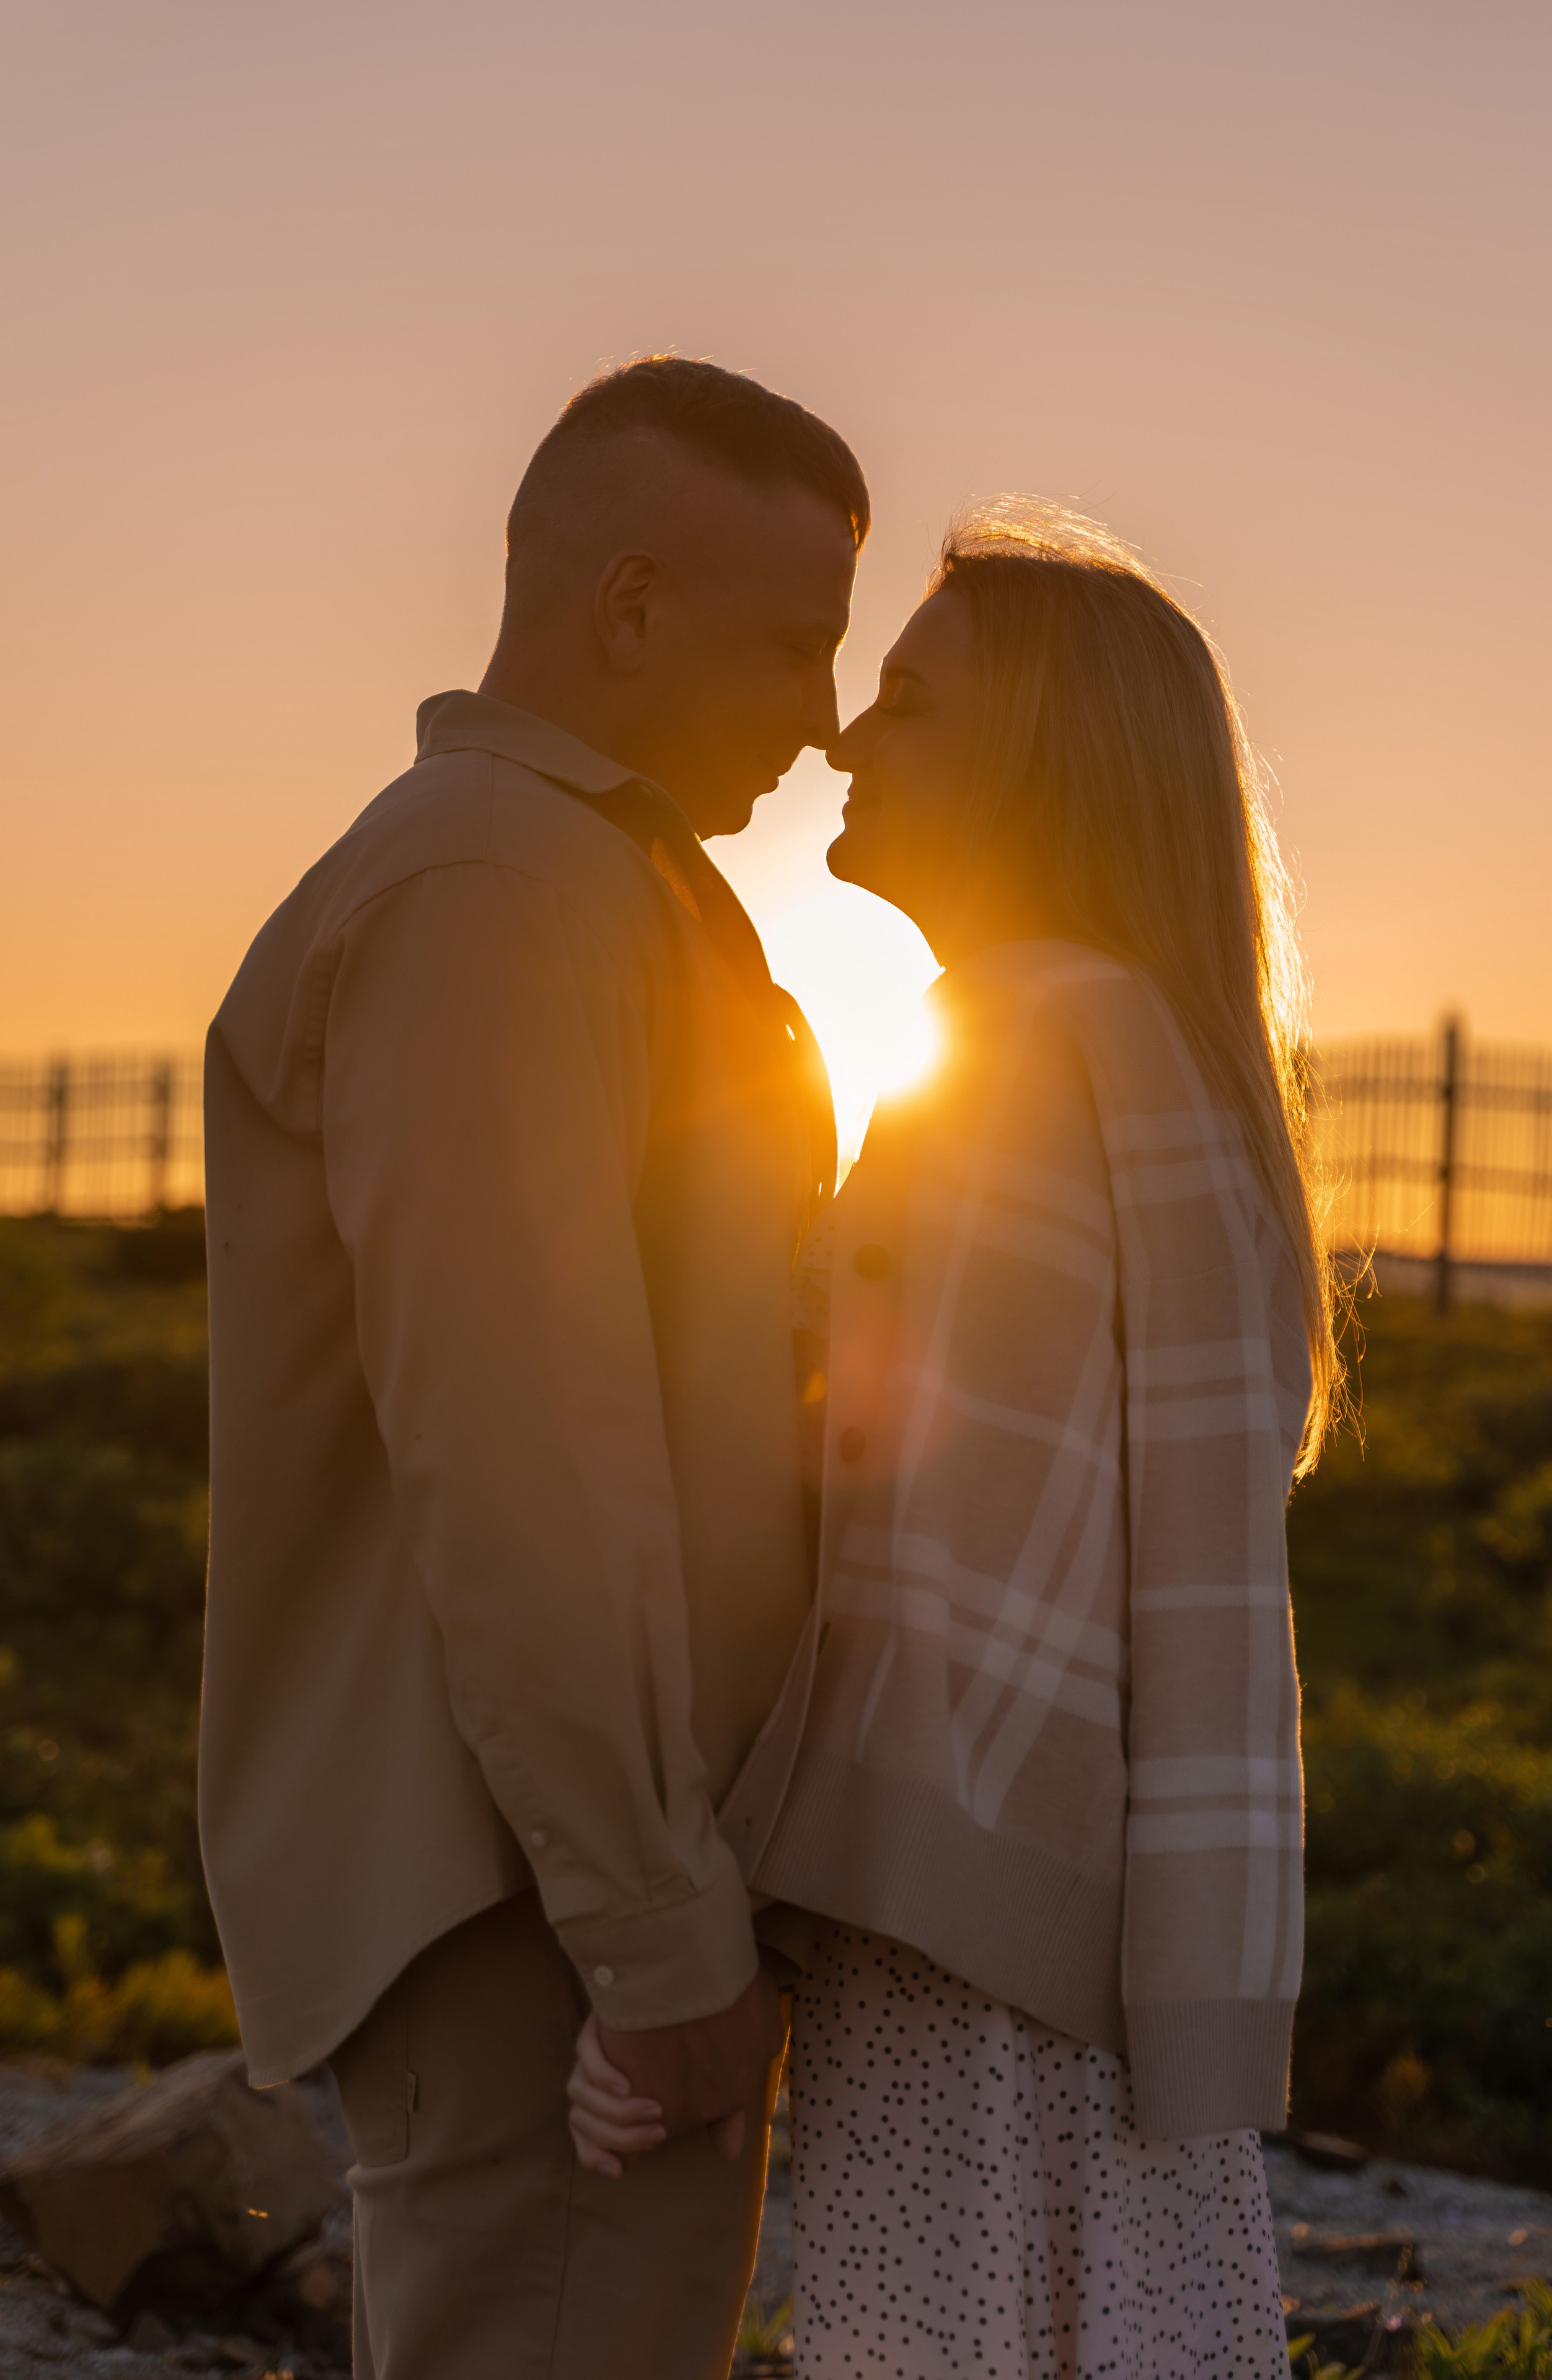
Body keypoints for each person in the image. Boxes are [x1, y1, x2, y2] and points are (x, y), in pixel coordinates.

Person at [568, 501, 1341, 2378]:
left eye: (911, 703)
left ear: (1033, 762)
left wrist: (705, 1956)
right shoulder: (1165, 1061)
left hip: (956, 1971)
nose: (844, 736)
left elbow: (916, 1565)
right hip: (1118, 1963)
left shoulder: (998, 1064)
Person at [199, 355, 868, 2379]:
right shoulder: (495, 891)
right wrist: (656, 1942)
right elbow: (526, 1460)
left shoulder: (581, 882)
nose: (830, 718)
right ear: (633, 609)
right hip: (543, 1904)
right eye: (795, 641)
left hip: (588, 1869)